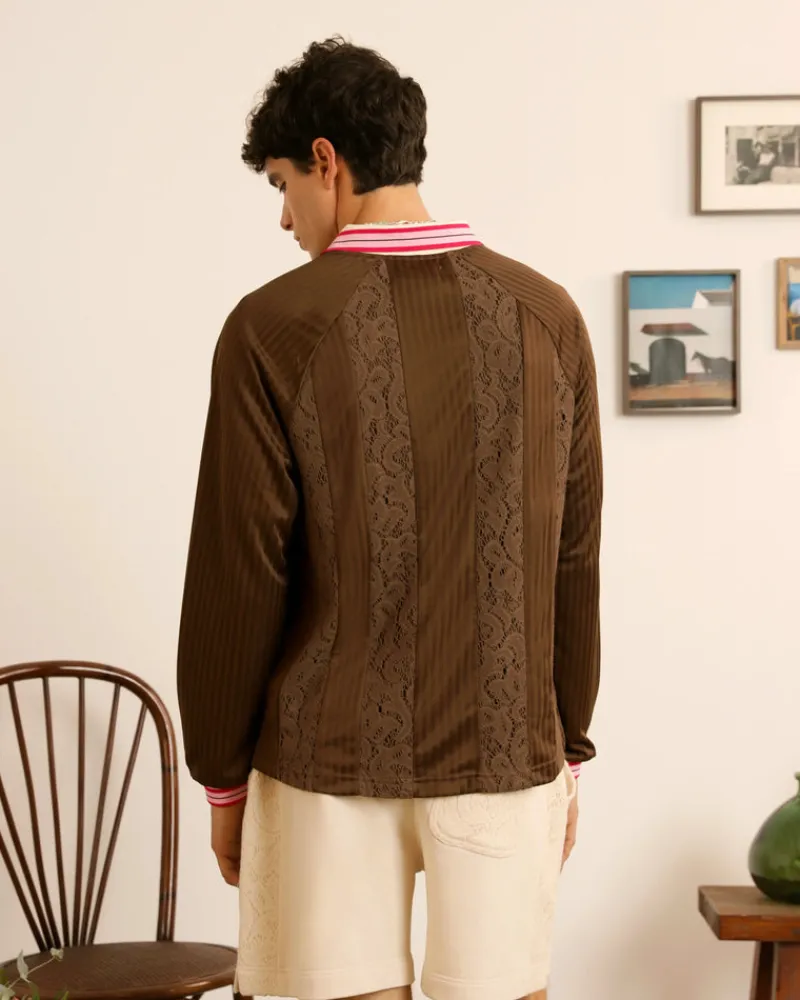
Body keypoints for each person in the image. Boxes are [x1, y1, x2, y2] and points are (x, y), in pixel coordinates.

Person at [177, 36, 602, 1000]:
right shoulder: (548, 316)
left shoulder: (271, 326)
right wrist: (566, 747)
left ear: (327, 161)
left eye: (283, 184)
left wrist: (222, 777)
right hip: (505, 747)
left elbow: (238, 573)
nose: (284, 217)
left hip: (322, 763)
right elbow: (573, 557)